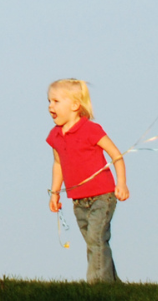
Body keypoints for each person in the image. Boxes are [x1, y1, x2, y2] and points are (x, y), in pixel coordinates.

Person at [45, 78, 130, 283]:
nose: (50, 107)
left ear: (75, 105)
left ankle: (97, 285)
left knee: (96, 240)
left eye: (56, 101)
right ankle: (113, 284)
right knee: (95, 243)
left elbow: (116, 155)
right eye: (49, 101)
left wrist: (122, 183)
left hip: (102, 196)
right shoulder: (55, 136)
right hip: (79, 200)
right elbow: (58, 165)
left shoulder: (91, 129)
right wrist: (55, 193)